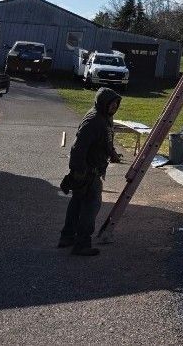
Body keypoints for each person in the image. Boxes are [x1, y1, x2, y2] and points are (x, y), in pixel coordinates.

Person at [58, 87, 122, 256]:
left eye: (116, 104)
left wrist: (112, 153)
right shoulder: (93, 120)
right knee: (91, 206)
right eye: (111, 104)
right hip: (87, 172)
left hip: (91, 169)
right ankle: (82, 244)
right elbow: (78, 148)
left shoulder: (104, 118)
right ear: (103, 103)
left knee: (77, 203)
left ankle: (67, 237)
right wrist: (78, 171)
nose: (114, 107)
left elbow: (104, 140)